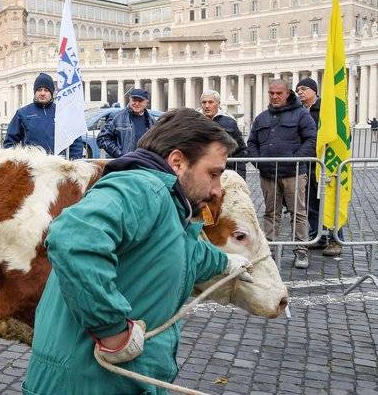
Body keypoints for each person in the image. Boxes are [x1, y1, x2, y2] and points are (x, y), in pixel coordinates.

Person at [23, 108, 252, 395]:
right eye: (213, 174)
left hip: (105, 381)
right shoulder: (142, 187)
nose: (217, 190)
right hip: (87, 383)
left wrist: (226, 262)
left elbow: (182, 252)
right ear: (178, 162)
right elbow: (73, 237)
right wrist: (111, 330)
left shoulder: (168, 202)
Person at [247, 79, 317, 269]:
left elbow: (311, 139)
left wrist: (295, 159)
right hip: (268, 173)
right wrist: (259, 161)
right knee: (270, 213)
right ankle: (268, 249)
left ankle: (301, 250)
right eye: (271, 93)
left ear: (287, 93)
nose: (275, 96)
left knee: (298, 213)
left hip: (294, 173)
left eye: (279, 93)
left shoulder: (301, 115)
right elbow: (252, 142)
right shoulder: (261, 118)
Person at [296, 78, 343, 257]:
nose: (300, 92)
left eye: (304, 88)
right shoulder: (299, 111)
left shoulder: (326, 109)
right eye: (298, 90)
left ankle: (335, 239)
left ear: (314, 91)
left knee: (330, 201)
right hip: (308, 163)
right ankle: (318, 236)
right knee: (311, 203)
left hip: (325, 163)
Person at [3, 73, 84, 159]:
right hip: (32, 164)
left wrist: (73, 161)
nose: (42, 93)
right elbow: (9, 143)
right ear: (35, 92)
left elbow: (76, 140)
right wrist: (18, 162)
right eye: (39, 90)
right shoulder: (22, 113)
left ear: (52, 93)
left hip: (58, 164)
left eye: (46, 90)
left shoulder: (62, 112)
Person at [96, 88, 158, 158]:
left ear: (146, 102)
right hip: (124, 162)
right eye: (134, 100)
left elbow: (157, 143)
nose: (137, 103)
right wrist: (119, 154)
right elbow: (102, 138)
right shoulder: (117, 117)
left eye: (140, 101)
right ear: (129, 100)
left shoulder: (152, 121)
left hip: (145, 162)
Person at [199, 90, 247, 179]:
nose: (207, 106)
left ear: (218, 104)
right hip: (202, 173)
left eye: (210, 102)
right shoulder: (195, 122)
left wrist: (240, 176)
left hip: (225, 173)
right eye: (204, 102)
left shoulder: (230, 123)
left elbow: (240, 151)